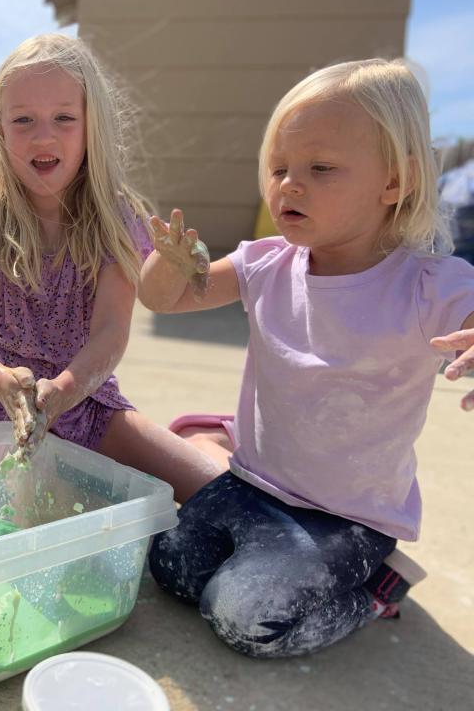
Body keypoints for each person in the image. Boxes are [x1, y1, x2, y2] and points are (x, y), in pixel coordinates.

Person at [139, 58, 474, 657]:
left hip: (346, 516)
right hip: (255, 484)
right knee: (169, 565)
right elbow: (166, 299)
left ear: (395, 182)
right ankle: (258, 538)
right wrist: (167, 263)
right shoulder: (267, 263)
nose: (290, 185)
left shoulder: (426, 283)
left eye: (320, 169)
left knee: (246, 618)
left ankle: (376, 588)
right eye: (279, 168)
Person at [0, 33, 220, 502]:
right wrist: (0, 380)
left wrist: (62, 392)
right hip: (2, 412)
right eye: (23, 120)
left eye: (64, 118)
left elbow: (110, 333)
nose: (44, 136)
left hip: (88, 402)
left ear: (92, 126)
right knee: (32, 522)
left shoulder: (115, 221)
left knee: (216, 493)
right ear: (0, 129)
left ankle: (206, 437)